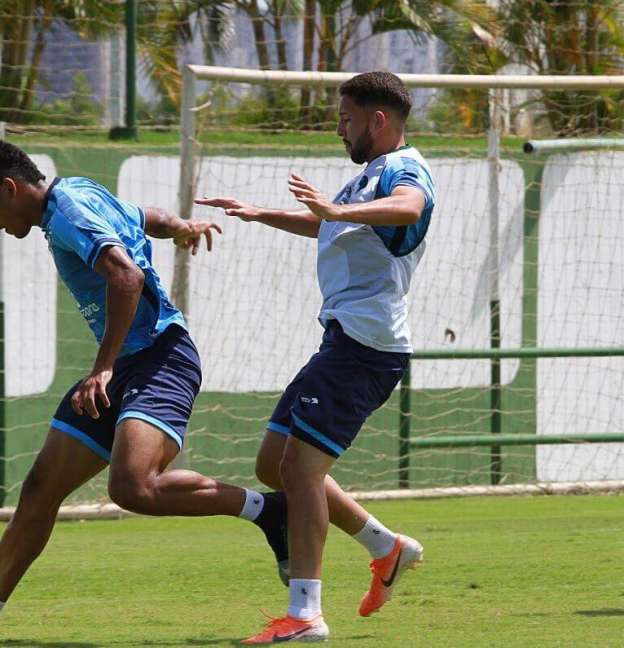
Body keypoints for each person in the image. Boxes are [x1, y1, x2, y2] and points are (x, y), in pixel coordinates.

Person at [0, 141, 289, 642]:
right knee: (40, 489)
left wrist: (102, 368)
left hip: (160, 357)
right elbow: (144, 217)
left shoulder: (67, 212)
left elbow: (126, 275)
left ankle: (268, 511)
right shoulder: (79, 194)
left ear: (9, 188)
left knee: (133, 487)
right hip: (127, 364)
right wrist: (181, 226)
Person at [197, 70, 433, 643]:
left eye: (347, 119)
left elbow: (410, 207)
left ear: (379, 120)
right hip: (343, 341)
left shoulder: (404, 170)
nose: (339, 129)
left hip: (365, 345)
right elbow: (326, 224)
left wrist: (336, 210)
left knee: (301, 470)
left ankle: (305, 615)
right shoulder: (366, 178)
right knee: (273, 462)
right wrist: (260, 213)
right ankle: (386, 546)